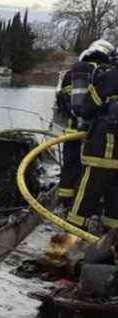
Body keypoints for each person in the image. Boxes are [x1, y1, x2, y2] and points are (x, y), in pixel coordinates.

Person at [54, 41, 114, 207]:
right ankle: (89, 208)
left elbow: (61, 101)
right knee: (90, 173)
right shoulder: (104, 74)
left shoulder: (70, 73)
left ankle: (64, 204)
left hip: (72, 131)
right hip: (96, 136)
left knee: (70, 167)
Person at [67, 39, 118, 233]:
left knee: (86, 195)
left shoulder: (111, 77)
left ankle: (71, 236)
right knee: (115, 201)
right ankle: (111, 242)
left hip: (102, 150)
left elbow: (87, 108)